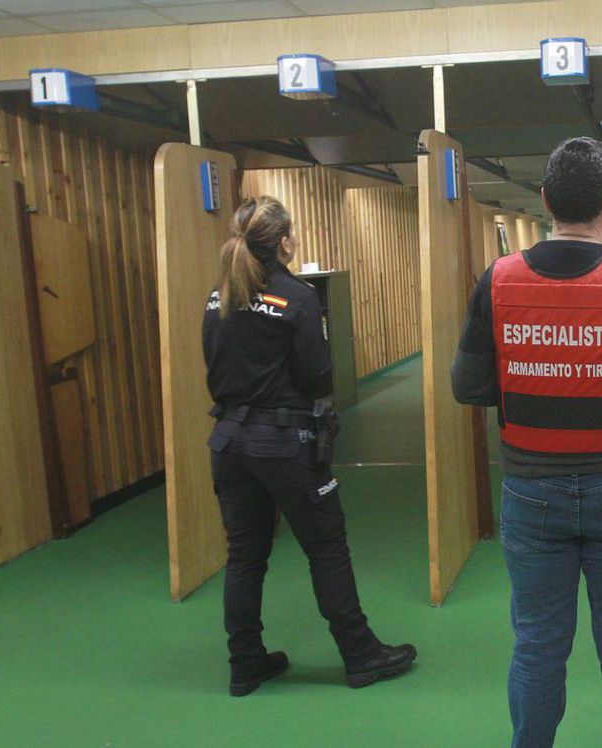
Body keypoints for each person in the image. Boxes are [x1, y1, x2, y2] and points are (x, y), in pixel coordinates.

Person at [451, 137, 602, 748]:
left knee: (536, 646)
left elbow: (467, 384)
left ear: (544, 200)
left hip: (531, 491)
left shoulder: (498, 280)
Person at [202, 196, 416, 696]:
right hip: (282, 444)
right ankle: (361, 656)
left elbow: (214, 367)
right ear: (283, 241)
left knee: (244, 556)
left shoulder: (220, 295)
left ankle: (246, 662)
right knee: (326, 548)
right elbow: (318, 374)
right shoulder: (296, 298)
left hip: (229, 441)